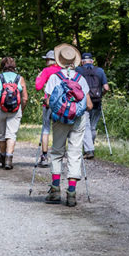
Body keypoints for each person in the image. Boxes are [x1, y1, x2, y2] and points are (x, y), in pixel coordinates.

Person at [43, 44, 92, 207]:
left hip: (59, 119)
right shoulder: (81, 79)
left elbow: (49, 101)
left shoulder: (54, 78)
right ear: (74, 62)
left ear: (59, 60)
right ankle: (71, 193)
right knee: (75, 152)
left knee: (57, 152)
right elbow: (89, 105)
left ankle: (55, 190)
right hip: (78, 119)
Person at [0, 57, 28, 169]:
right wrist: (21, 109)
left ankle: (3, 157)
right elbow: (25, 99)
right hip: (15, 109)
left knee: (1, 135)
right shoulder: (20, 78)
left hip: (0, 108)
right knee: (11, 134)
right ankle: (9, 159)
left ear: (2, 66)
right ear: (14, 66)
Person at [76, 52, 110, 159]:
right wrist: (101, 95)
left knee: (85, 125)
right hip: (97, 101)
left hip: (84, 101)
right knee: (93, 126)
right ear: (92, 61)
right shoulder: (100, 71)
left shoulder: (78, 70)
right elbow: (106, 88)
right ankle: (90, 144)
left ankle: (89, 150)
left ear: (82, 62)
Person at [34, 50, 62, 167]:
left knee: (46, 129)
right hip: (61, 104)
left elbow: (38, 87)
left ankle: (44, 156)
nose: (45, 61)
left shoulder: (46, 71)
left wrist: (38, 77)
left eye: (46, 59)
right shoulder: (63, 71)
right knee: (59, 130)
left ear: (50, 60)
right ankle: (57, 157)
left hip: (48, 103)